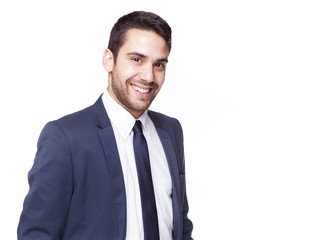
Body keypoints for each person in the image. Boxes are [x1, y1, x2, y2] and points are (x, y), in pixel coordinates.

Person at [17, 11, 193, 240]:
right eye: (137, 59)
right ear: (109, 60)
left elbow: (180, 223)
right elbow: (37, 234)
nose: (149, 76)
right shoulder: (65, 138)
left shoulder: (171, 131)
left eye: (159, 64)